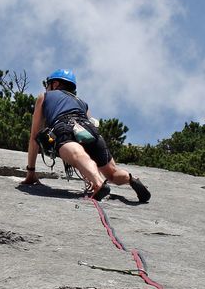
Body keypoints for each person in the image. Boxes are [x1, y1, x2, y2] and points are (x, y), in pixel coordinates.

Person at [21, 69, 151, 203]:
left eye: (48, 85)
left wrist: (31, 171)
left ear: (55, 84)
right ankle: (130, 178)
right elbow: (90, 124)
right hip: (90, 131)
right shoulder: (82, 102)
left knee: (78, 155)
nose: (47, 88)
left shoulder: (45, 96)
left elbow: (34, 136)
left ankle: (98, 183)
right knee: (112, 173)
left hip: (64, 126)